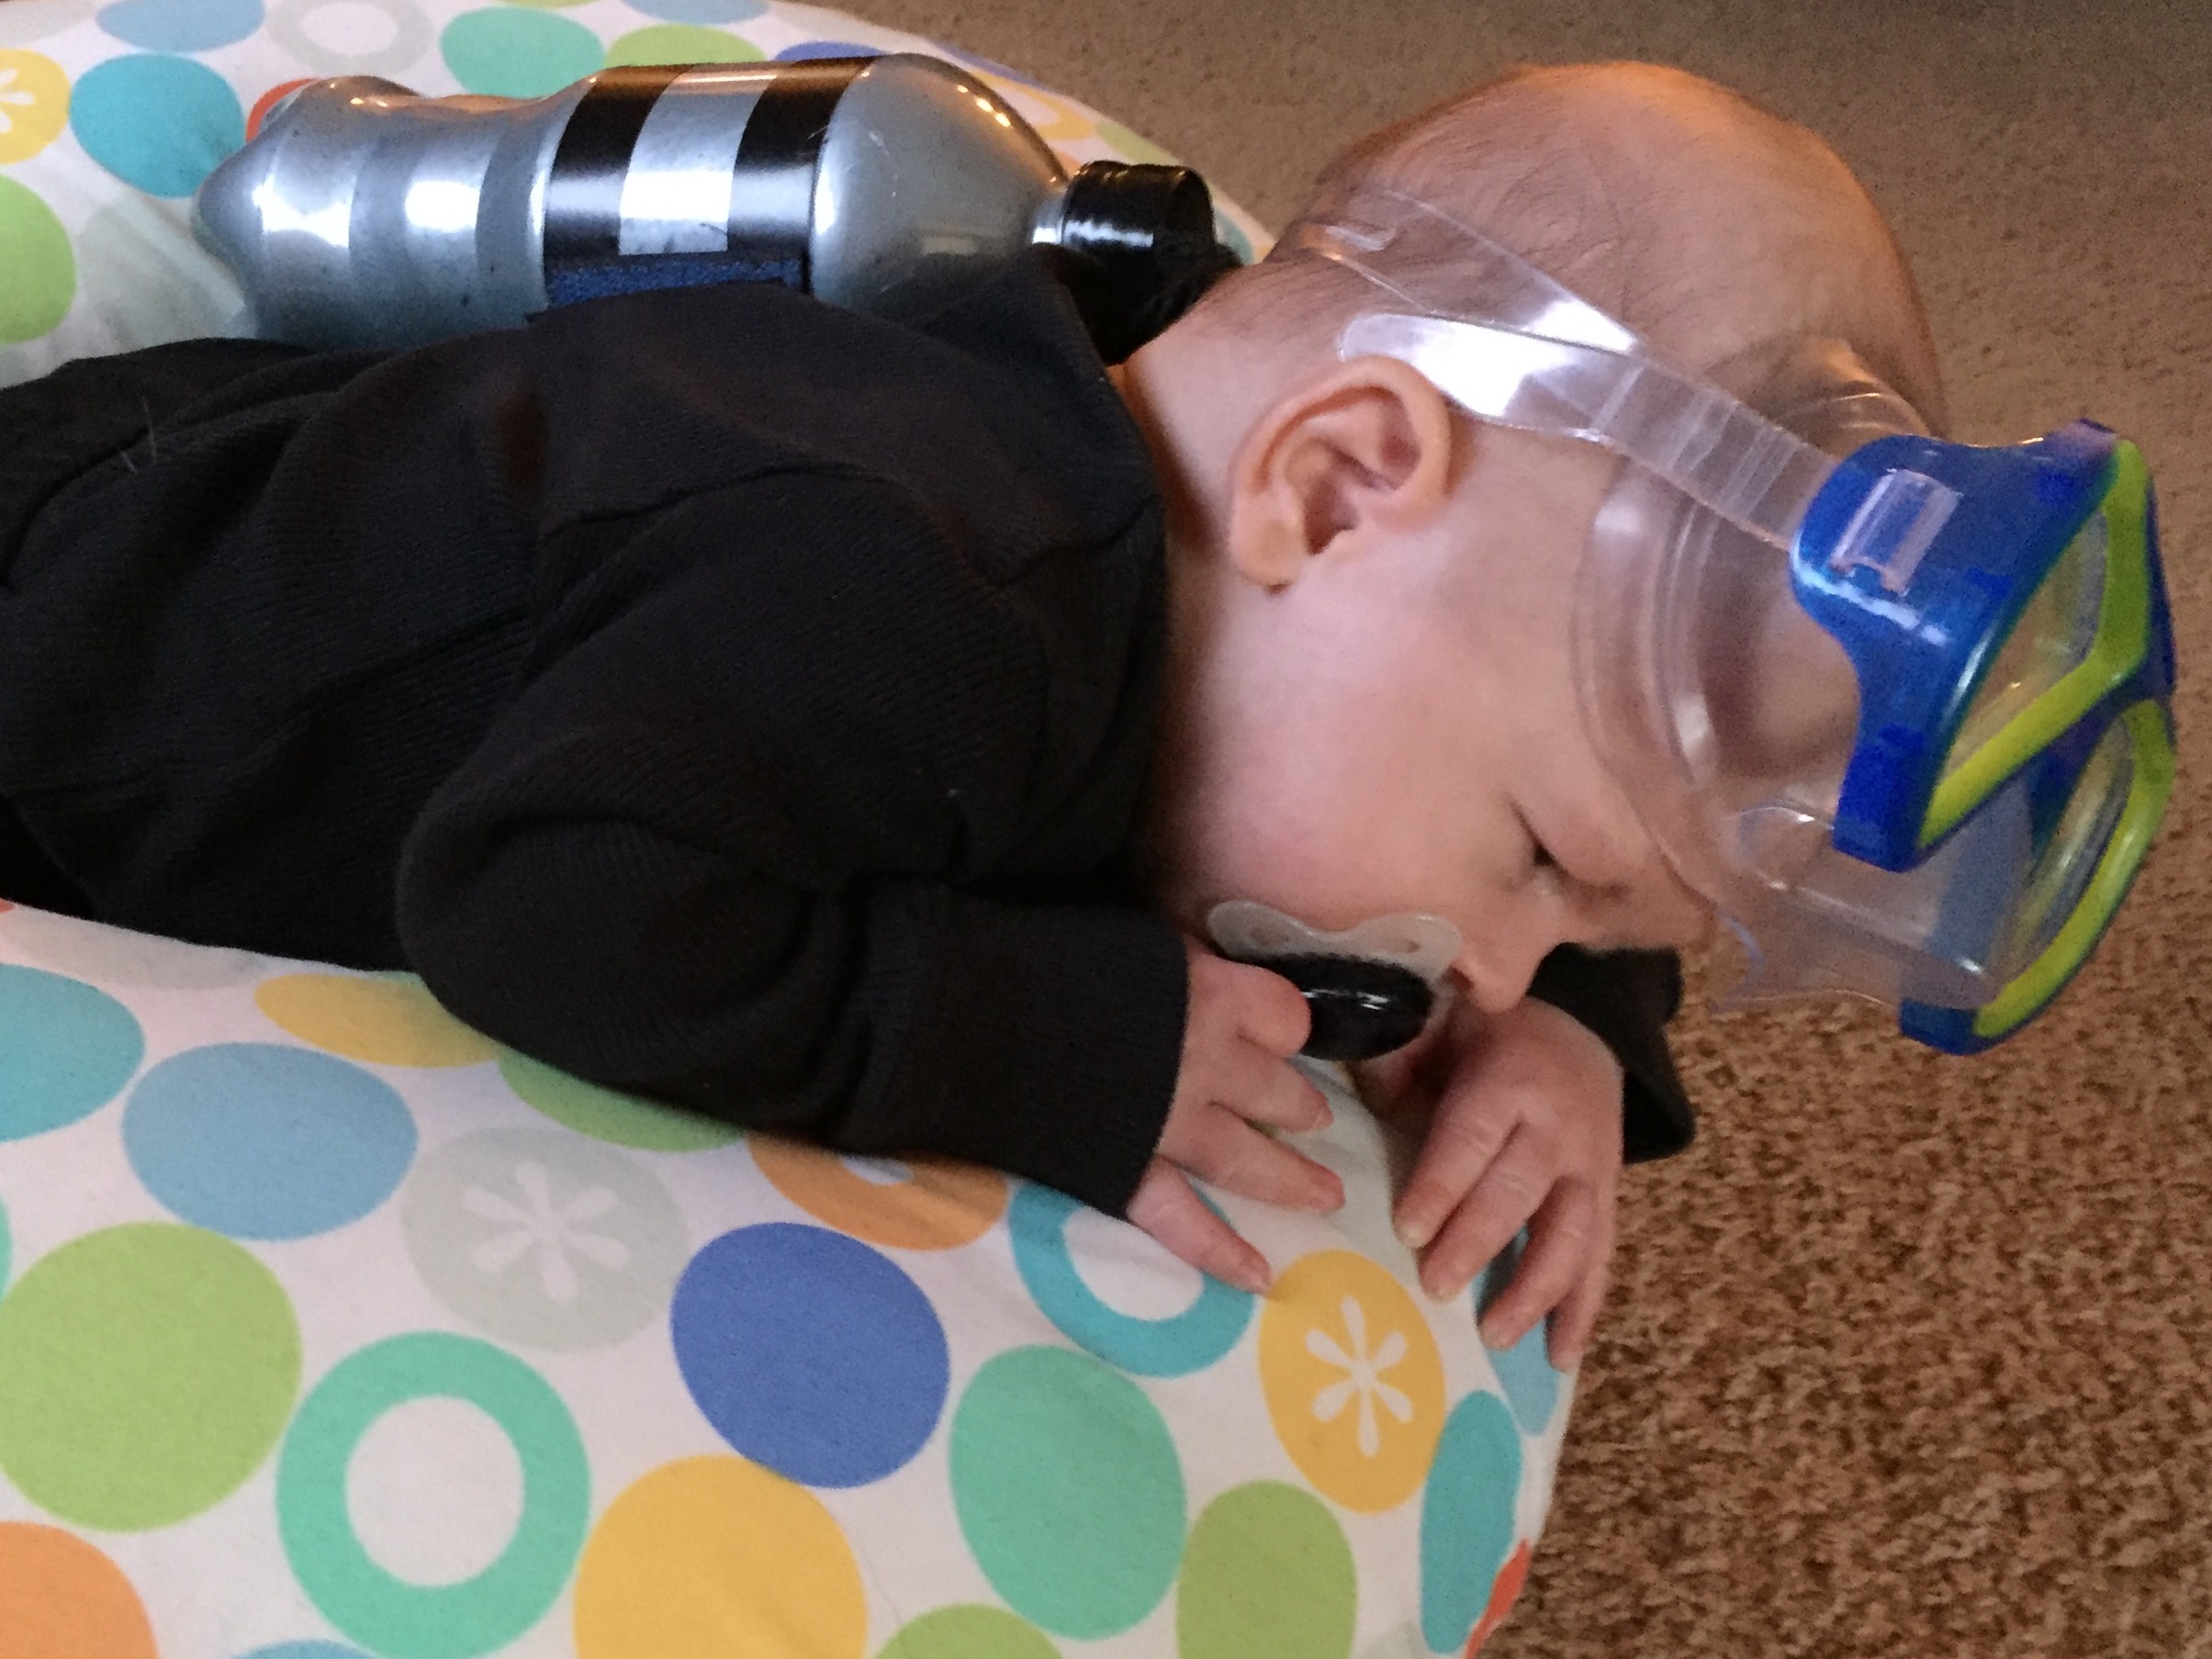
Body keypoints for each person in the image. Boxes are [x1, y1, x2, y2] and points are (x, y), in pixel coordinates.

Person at [0, 62, 1939, 1371]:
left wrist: (1582, 1029)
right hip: (76, 662)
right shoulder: (899, 593)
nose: (1482, 973)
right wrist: (1035, 1041)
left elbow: (1622, 798)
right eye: (1533, 863)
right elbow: (541, 896)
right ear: (1338, 486)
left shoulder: (1220, 556)